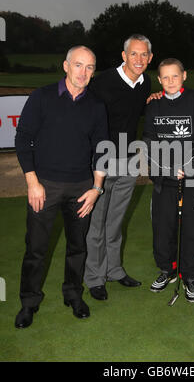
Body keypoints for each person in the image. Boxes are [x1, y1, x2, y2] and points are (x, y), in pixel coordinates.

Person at [14, 46, 108, 328]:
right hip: (45, 186)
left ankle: (73, 295)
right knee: (36, 249)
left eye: (90, 67)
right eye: (78, 65)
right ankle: (29, 303)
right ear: (65, 66)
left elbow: (102, 149)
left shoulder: (96, 106)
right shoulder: (42, 97)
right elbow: (23, 139)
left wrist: (96, 188)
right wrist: (33, 182)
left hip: (82, 188)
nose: (84, 72)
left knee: (77, 247)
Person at [84, 34, 153, 301]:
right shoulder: (102, 82)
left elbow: (138, 111)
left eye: (144, 55)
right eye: (133, 54)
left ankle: (114, 270)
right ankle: (94, 277)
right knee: (96, 224)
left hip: (127, 162)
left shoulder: (145, 83)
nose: (139, 59)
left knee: (115, 222)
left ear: (150, 58)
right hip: (101, 162)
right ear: (124, 56)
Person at [143, 58, 194, 302]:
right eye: (165, 77)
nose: (170, 81)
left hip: (192, 178)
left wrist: (190, 166)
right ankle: (168, 270)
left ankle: (190, 275)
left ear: (184, 76)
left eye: (175, 76)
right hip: (164, 178)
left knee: (192, 230)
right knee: (163, 228)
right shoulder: (154, 105)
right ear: (159, 80)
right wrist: (168, 169)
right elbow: (149, 141)